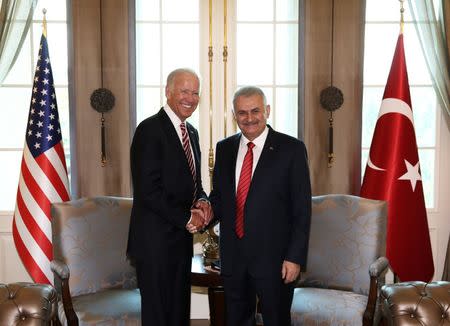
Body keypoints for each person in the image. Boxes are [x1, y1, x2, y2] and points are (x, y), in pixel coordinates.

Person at [210, 86, 312, 326]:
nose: (249, 118)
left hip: (276, 259)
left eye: (255, 111)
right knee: (236, 320)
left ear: (267, 111)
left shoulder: (292, 149)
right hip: (234, 257)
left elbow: (302, 209)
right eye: (242, 113)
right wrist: (205, 210)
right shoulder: (224, 149)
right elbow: (220, 197)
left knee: (276, 320)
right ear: (235, 116)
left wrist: (294, 257)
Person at [127, 68, 213, 326]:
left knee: (178, 314)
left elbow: (194, 183)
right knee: (158, 317)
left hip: (179, 243)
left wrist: (203, 201)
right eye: (184, 91)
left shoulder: (193, 133)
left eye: (195, 92)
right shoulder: (149, 130)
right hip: (154, 244)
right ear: (168, 92)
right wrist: (188, 217)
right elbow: (148, 190)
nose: (190, 98)